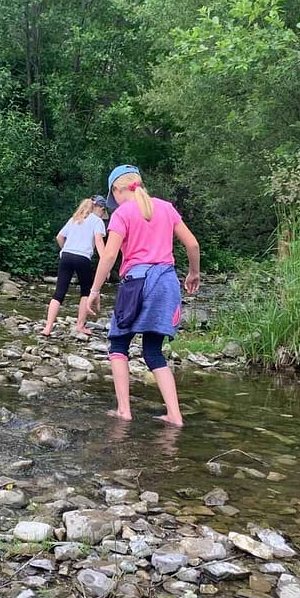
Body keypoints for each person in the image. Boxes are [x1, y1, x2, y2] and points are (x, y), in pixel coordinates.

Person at [86, 165, 201, 426]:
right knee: (153, 351)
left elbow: (109, 255)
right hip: (167, 282)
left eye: (113, 196)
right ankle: (175, 415)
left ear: (117, 190)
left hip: (137, 283)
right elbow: (193, 244)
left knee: (118, 345)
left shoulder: (122, 213)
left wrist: (94, 290)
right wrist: (194, 273)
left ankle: (124, 411)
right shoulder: (166, 208)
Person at [40, 195, 108, 336]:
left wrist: (65, 250)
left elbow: (59, 237)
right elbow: (99, 243)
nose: (103, 215)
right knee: (85, 292)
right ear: (100, 208)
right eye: (103, 212)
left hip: (66, 256)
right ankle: (80, 326)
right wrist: (105, 263)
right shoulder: (97, 221)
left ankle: (47, 328)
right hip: (83, 257)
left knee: (59, 292)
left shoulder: (75, 218)